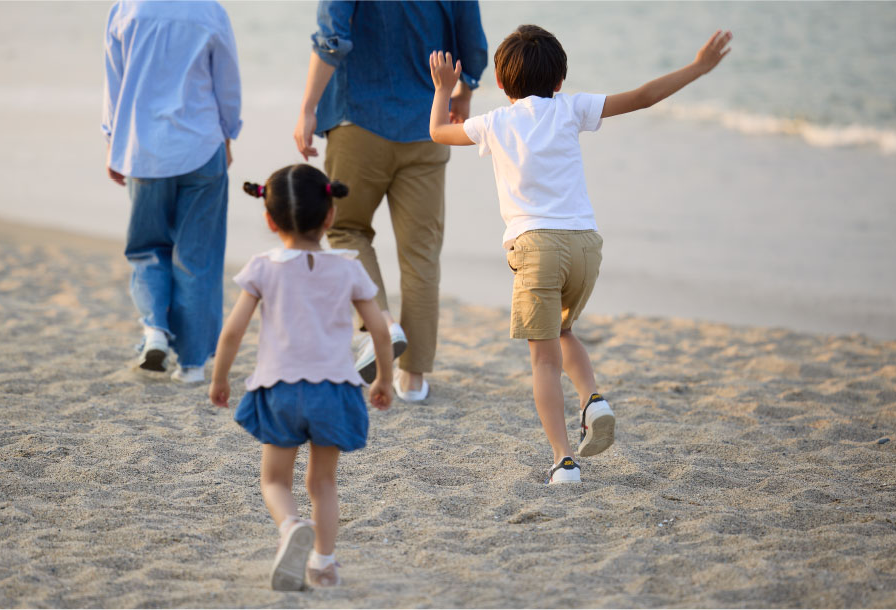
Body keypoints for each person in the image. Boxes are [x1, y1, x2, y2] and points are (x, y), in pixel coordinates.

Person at [428, 25, 733, 483]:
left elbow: (437, 132)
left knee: (543, 361)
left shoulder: (495, 122)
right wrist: (698, 67)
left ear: (503, 82)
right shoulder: (571, 108)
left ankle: (563, 460)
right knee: (563, 330)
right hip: (586, 245)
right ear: (559, 80)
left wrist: (444, 89)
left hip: (536, 247)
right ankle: (592, 399)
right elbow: (644, 97)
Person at [208, 164, 394, 590]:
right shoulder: (348, 268)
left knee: (275, 479)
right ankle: (324, 565)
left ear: (270, 219)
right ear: (330, 215)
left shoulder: (262, 267)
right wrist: (384, 378)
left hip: (280, 389)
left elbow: (233, 331)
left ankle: (291, 525)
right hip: (335, 390)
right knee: (323, 482)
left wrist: (220, 378)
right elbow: (380, 330)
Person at [294, 1, 487, 402]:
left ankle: (380, 322)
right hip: (428, 124)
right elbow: (473, 45)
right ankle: (413, 379)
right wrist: (464, 91)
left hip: (357, 119)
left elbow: (332, 38)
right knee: (421, 254)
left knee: (344, 229)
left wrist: (308, 108)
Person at [102, 1, 241, 383]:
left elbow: (115, 82)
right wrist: (229, 133)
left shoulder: (126, 9)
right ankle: (193, 365)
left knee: (148, 247)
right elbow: (227, 82)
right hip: (201, 146)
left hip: (143, 148)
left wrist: (112, 140)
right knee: (198, 257)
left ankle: (155, 331)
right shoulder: (210, 11)